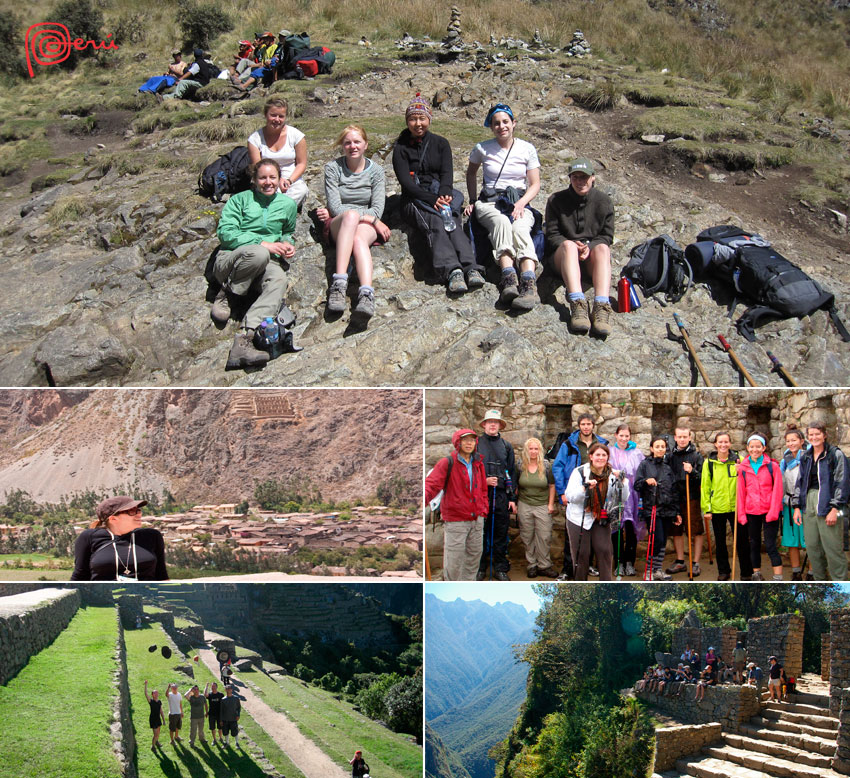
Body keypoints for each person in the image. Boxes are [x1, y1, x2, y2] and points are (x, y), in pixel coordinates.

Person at [392, 93, 484, 294]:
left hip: (439, 196)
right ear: (407, 121)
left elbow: (446, 175)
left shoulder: (441, 144)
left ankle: (470, 267)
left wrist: (443, 195)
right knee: (435, 221)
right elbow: (407, 184)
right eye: (413, 119)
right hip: (414, 200)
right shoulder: (400, 148)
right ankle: (451, 270)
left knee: (451, 217)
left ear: (429, 119)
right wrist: (433, 200)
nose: (418, 124)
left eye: (422, 118)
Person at [212, 158, 297, 369]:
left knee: (278, 278)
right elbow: (226, 234)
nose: (267, 182)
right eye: (262, 178)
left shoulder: (287, 205)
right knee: (259, 253)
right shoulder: (240, 200)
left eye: (272, 177)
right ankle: (227, 294)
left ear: (279, 180)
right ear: (254, 179)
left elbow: (288, 232)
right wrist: (263, 243)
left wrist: (287, 244)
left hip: (266, 262)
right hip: (232, 260)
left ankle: (245, 338)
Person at [463, 103, 542, 310]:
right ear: (491, 126)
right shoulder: (482, 148)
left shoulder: (527, 149)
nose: (501, 126)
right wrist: (472, 200)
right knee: (501, 223)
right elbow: (471, 173)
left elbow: (535, 184)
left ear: (513, 123)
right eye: (496, 123)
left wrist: (522, 203)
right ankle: (509, 279)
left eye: (505, 122)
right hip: (490, 202)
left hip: (519, 199)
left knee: (520, 227)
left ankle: (528, 283)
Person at [316, 125, 389, 321]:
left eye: (357, 142)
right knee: (349, 217)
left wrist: (372, 218)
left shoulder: (377, 172)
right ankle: (339, 284)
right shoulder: (333, 169)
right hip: (341, 223)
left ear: (365, 145)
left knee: (358, 239)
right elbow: (335, 208)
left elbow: (377, 209)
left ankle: (366, 294)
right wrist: (370, 218)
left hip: (366, 225)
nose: (352, 146)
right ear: (342, 146)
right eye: (347, 142)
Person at [544, 157, 614, 337]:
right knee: (568, 246)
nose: (580, 181)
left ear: (593, 178)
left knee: (603, 249)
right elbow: (552, 235)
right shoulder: (556, 200)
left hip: (589, 259)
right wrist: (573, 246)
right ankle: (577, 303)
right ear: (570, 179)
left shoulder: (604, 201)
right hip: (563, 258)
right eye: (575, 177)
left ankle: (601, 306)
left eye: (584, 177)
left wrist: (590, 247)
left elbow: (606, 236)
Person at [425, 429, 488, 580]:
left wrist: (483, 509)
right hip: (456, 521)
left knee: (473, 558)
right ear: (457, 442)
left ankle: (467, 586)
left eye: (472, 440)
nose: (469, 443)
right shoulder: (447, 463)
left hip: (477, 519)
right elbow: (431, 485)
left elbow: (483, 489)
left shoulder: (478, 464)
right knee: (454, 561)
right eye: (465, 440)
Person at [553, 412, 608, 580]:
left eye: (589, 424)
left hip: (596, 492)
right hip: (576, 491)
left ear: (593, 425)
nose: (586, 427)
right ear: (579, 426)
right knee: (573, 532)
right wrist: (562, 492)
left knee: (592, 530)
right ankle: (568, 569)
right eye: (583, 424)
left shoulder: (601, 444)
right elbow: (557, 467)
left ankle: (587, 565)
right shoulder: (569, 444)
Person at [793, 421, 848, 581]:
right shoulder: (806, 456)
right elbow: (800, 481)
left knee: (833, 549)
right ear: (807, 437)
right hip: (808, 503)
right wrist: (797, 507)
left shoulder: (835, 455)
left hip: (828, 503)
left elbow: (842, 482)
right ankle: (819, 582)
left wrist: (834, 508)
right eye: (811, 435)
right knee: (812, 548)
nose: (814, 437)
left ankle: (840, 581)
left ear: (824, 435)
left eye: (817, 434)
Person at [564, 442, 628, 581]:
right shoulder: (580, 472)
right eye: (597, 455)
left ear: (608, 457)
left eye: (604, 455)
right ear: (591, 456)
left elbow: (623, 498)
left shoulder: (613, 474)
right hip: (578, 518)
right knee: (582, 554)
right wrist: (584, 488)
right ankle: (580, 584)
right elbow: (570, 496)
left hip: (601, 517)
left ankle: (607, 584)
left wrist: (622, 482)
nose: (601, 458)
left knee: (605, 551)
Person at [71, 496, 167, 581]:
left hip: (147, 599)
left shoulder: (152, 536)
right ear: (113, 519)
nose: (139, 514)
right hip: (103, 600)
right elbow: (80, 576)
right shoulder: (89, 537)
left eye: (138, 510)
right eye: (132, 511)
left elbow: (161, 575)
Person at [701, 431, 753, 581]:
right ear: (716, 444)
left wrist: (740, 472)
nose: (723, 445)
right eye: (720, 442)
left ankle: (746, 572)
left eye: (726, 442)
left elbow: (748, 482)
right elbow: (705, 486)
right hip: (717, 507)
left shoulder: (739, 460)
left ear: (730, 443)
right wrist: (707, 509)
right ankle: (724, 571)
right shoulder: (709, 463)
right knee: (720, 541)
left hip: (737, 507)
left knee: (742, 540)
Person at [475, 410, 517, 581]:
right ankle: (480, 567)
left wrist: (512, 499)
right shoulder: (476, 443)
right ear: (484, 424)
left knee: (500, 532)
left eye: (496, 422)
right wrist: (483, 481)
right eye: (489, 421)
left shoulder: (506, 446)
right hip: (480, 495)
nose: (493, 424)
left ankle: (499, 567)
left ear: (500, 425)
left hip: (501, 495)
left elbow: (512, 473)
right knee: (480, 532)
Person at [737, 433, 784, 581]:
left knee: (770, 545)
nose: (755, 449)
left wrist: (774, 511)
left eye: (758, 446)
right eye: (752, 446)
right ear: (747, 448)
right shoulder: (743, 468)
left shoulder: (773, 466)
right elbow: (741, 492)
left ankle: (778, 575)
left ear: (764, 448)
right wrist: (741, 514)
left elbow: (778, 490)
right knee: (754, 543)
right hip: (752, 510)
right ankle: (756, 573)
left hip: (770, 510)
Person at [634, 436, 682, 580]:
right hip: (652, 508)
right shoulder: (644, 465)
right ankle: (649, 571)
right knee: (656, 539)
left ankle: (657, 570)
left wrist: (676, 512)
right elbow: (637, 485)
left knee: (662, 540)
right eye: (657, 446)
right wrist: (645, 481)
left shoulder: (668, 467)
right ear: (651, 448)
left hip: (667, 509)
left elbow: (673, 490)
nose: (660, 449)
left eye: (663, 446)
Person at [247, 97, 309, 207]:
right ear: (266, 115)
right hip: (267, 178)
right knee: (270, 193)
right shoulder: (255, 139)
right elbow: (257, 167)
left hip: (291, 178)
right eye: (273, 115)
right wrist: (275, 180)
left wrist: (289, 181)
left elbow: (302, 163)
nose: (277, 119)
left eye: (281, 116)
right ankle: (281, 211)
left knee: (301, 190)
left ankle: (275, 211)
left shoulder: (296, 136)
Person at [516, 437, 557, 578]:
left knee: (544, 536)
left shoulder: (546, 466)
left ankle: (544, 565)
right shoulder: (520, 465)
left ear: (540, 450)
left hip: (542, 505)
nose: (533, 451)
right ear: (526, 450)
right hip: (524, 504)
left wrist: (550, 504)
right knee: (527, 536)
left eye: (536, 449)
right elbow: (516, 485)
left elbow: (552, 486)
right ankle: (532, 564)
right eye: (530, 449)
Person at [608, 423, 645, 576]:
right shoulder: (610, 452)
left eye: (626, 436)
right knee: (616, 530)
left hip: (633, 496)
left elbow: (642, 472)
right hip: (616, 495)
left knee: (631, 529)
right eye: (621, 435)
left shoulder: (637, 453)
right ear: (616, 435)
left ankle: (630, 562)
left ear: (630, 437)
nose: (624, 438)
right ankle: (619, 562)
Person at [669, 426, 704, 577]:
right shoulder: (670, 456)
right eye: (679, 437)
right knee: (677, 529)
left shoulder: (696, 456)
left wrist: (692, 471)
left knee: (695, 529)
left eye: (685, 437)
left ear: (690, 437)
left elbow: (704, 478)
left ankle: (695, 562)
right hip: (675, 498)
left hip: (692, 497)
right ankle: (680, 561)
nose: (682, 439)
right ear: (675, 438)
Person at [780, 426, 808, 580]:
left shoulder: (808, 458)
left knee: (809, 540)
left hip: (805, 504)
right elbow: (782, 482)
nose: (791, 443)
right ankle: (796, 571)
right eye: (788, 441)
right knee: (791, 540)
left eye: (794, 440)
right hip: (789, 503)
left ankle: (811, 572)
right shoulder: (785, 460)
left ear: (801, 441)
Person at [144, 680, 166, 752]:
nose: (156, 694)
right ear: (152, 695)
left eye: (157, 693)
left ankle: (156, 742)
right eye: (155, 693)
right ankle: (153, 746)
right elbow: (146, 693)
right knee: (155, 734)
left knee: (158, 733)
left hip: (158, 719)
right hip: (153, 719)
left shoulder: (159, 702)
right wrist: (146, 685)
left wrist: (163, 720)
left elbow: (161, 711)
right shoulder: (151, 701)